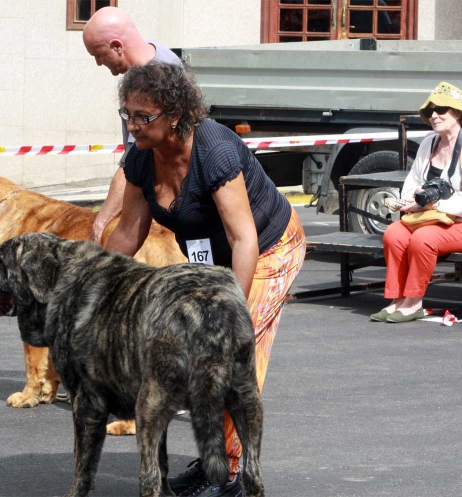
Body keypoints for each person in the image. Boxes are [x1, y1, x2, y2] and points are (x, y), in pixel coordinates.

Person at [107, 61, 306, 496]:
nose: (133, 125)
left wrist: (230, 310)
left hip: (270, 249)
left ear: (174, 115)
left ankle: (232, 474)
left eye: (144, 116)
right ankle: (216, 461)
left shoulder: (213, 150)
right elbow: (128, 231)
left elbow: (244, 239)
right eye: (128, 114)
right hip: (213, 261)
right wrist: (88, 279)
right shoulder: (141, 158)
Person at [370, 82, 462, 323]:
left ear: (458, 113)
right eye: (430, 111)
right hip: (434, 220)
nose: (434, 116)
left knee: (423, 239)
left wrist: (432, 206)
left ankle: (414, 301)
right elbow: (412, 183)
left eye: (441, 110)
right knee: (394, 233)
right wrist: (409, 200)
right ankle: (396, 299)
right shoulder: (429, 143)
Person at [82, 7, 182, 244]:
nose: (98, 63)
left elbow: (133, 162)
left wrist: (100, 223)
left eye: (98, 54)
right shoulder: (150, 61)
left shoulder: (155, 78)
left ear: (117, 46)